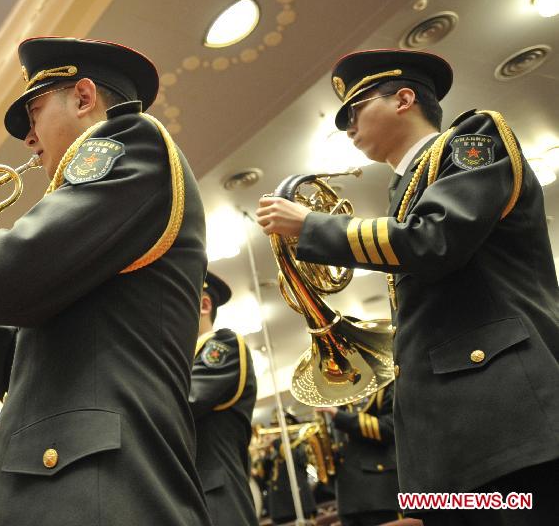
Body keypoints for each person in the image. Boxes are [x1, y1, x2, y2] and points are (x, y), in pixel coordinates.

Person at [0, 37, 211, 525]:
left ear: (83, 99)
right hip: (64, 484)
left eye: (34, 110)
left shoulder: (128, 142)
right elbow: (17, 371)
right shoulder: (93, 222)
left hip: (97, 488)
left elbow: (5, 279)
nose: (27, 136)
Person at [255, 49, 559, 525]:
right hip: (448, 447)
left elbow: (435, 240)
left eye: (354, 110)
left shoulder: (474, 138)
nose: (347, 126)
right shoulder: (405, 190)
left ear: (403, 98)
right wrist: (421, 491)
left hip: (507, 424)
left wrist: (313, 226)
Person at [191, 271, 258, 525]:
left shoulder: (224, 345)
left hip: (217, 498)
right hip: (195, 493)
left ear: (204, 305)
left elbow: (187, 399)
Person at [317, 383, 401, 526]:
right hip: (347, 498)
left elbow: (389, 429)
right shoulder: (338, 398)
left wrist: (341, 417)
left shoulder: (382, 387)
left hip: (378, 493)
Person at [258, 413, 316, 525]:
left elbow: (292, 459)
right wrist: (265, 455)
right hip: (279, 508)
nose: (274, 432)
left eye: (277, 427)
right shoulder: (274, 450)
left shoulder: (299, 443)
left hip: (298, 503)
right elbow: (265, 478)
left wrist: (277, 442)